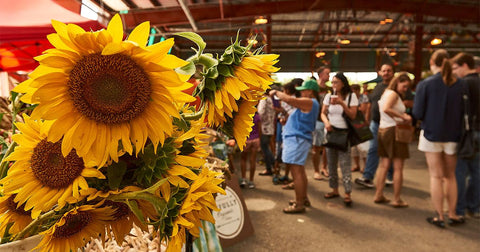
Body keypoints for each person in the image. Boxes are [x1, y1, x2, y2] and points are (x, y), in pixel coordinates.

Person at [413, 49, 465, 228]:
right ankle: (453, 214)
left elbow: (417, 112)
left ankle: (439, 216)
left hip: (431, 134)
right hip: (454, 135)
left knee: (436, 176)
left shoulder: (425, 84)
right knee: (450, 176)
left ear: (431, 62)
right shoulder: (460, 84)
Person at [269, 79, 320, 213]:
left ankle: (299, 204)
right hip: (297, 139)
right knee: (299, 172)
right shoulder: (311, 103)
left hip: (297, 140)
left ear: (311, 91)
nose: (301, 92)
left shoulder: (310, 102)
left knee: (296, 173)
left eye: (304, 90)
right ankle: (302, 198)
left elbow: (290, 101)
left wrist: (276, 92)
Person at [373, 73, 412, 207]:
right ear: (398, 82)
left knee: (384, 165)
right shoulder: (394, 95)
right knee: (398, 167)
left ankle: (379, 194)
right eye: (404, 85)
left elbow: (384, 109)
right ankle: (397, 199)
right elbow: (387, 109)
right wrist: (403, 117)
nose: (405, 89)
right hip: (394, 131)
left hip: (383, 129)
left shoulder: (386, 93)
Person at [355, 64, 395, 188]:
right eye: (384, 71)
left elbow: (408, 101)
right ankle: (368, 177)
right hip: (376, 122)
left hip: (390, 124)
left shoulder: (396, 86)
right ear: (380, 73)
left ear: (393, 72)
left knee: (389, 151)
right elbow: (370, 105)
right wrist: (368, 119)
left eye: (389, 71)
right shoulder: (378, 87)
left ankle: (391, 177)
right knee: (373, 149)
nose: (386, 73)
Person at [321, 72, 358, 207]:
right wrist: (326, 122)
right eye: (332, 82)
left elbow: (353, 115)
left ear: (343, 83)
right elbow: (323, 113)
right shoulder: (328, 96)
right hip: (331, 132)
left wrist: (342, 103)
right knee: (331, 163)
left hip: (344, 134)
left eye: (336, 82)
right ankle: (334, 189)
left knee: (345, 164)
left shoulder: (351, 96)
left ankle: (347, 193)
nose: (333, 85)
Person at [451, 52, 480, 219]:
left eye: (456, 68)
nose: (454, 71)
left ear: (464, 66)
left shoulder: (463, 84)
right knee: (477, 171)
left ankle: (459, 208)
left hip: (467, 133)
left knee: (459, 172)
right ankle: (474, 207)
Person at [312, 66, 331, 180]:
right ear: (320, 75)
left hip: (328, 120)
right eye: (327, 74)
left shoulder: (330, 89)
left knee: (327, 146)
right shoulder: (314, 88)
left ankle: (324, 168)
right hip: (317, 120)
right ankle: (316, 170)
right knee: (317, 146)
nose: (329, 76)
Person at [350, 84, 369, 173]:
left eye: (355, 90)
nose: (354, 92)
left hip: (361, 123)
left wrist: (352, 109)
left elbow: (363, 110)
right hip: (352, 123)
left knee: (363, 146)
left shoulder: (363, 97)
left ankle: (365, 166)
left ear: (358, 90)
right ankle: (356, 165)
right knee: (354, 147)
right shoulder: (350, 98)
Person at [240, 112, 261, 189]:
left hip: (246, 140)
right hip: (256, 140)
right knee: (252, 160)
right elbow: (260, 129)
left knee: (243, 159)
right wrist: (260, 140)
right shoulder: (257, 117)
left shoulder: (244, 115)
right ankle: (251, 181)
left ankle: (243, 179)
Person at [258, 90, 276, 176]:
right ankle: (270, 168)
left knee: (265, 148)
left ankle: (274, 164)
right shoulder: (270, 99)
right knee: (266, 148)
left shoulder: (263, 99)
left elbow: (260, 112)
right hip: (270, 127)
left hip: (264, 128)